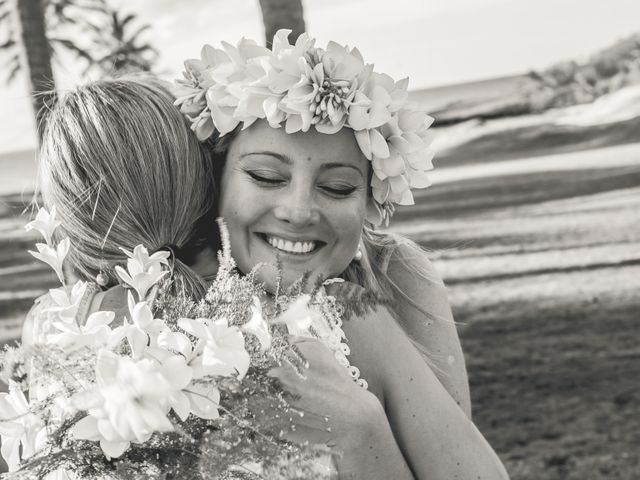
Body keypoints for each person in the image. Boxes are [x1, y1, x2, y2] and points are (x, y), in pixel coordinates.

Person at [173, 30, 509, 478]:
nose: (298, 211)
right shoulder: (158, 300)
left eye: (337, 187)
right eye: (267, 176)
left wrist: (361, 427)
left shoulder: (395, 281)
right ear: (216, 181)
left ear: (369, 201)